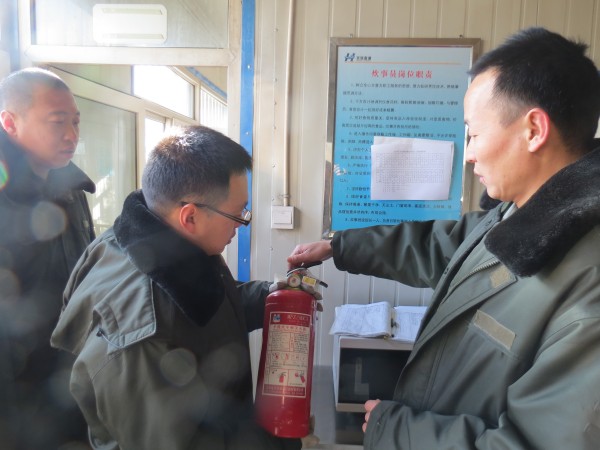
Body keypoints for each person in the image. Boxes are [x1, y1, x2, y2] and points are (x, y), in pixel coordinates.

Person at [287, 27, 600, 449]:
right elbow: (439, 245)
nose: (468, 154)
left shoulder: (589, 283)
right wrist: (338, 246)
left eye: (473, 134)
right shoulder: (516, 216)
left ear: (533, 130)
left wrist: (395, 430)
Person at [50, 125, 312, 449]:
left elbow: (205, 309)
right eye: (237, 215)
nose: (241, 225)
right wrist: (278, 442)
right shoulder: (143, 335)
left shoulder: (145, 245)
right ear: (190, 217)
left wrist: (271, 296)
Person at [0, 67, 95, 448]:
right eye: (57, 122)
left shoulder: (72, 189)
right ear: (10, 123)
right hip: (17, 399)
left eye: (76, 121)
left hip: (71, 380)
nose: (71, 135)